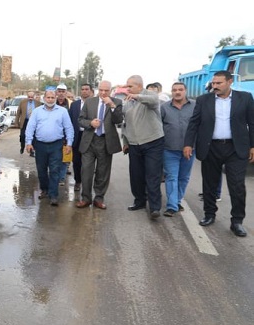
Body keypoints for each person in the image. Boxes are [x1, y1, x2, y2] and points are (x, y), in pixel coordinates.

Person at [183, 70, 254, 237]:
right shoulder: (203, 100)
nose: (214, 86)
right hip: (211, 147)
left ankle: (237, 221)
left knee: (237, 186)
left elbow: (252, 122)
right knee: (210, 184)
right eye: (213, 83)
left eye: (218, 83)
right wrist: (188, 144)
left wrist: (253, 146)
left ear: (229, 82)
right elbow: (194, 123)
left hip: (235, 148)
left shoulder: (245, 98)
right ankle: (209, 214)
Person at [121, 75, 165, 219]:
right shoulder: (126, 102)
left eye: (130, 86)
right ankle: (139, 201)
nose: (128, 89)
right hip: (134, 144)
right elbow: (125, 123)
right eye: (127, 87)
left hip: (152, 141)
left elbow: (154, 101)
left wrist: (137, 96)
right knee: (136, 175)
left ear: (139, 86)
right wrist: (125, 142)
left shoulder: (149, 95)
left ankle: (154, 208)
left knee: (152, 175)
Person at [75, 80, 123, 209]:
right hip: (89, 142)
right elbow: (80, 119)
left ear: (110, 90)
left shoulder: (117, 102)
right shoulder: (90, 102)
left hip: (105, 142)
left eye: (106, 90)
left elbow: (119, 120)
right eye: (101, 90)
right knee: (86, 171)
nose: (103, 93)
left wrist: (112, 106)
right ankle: (86, 198)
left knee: (103, 172)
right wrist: (90, 123)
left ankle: (99, 198)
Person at [25, 90, 74, 206]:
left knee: (54, 170)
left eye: (53, 97)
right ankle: (44, 190)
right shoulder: (37, 112)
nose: (50, 99)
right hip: (40, 145)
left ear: (56, 98)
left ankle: (53, 195)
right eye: (48, 97)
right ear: (44, 98)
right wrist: (28, 142)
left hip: (56, 145)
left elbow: (69, 128)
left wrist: (69, 144)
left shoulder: (62, 112)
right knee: (41, 171)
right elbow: (30, 127)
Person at [160, 82, 195, 216]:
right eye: (174, 90)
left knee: (184, 177)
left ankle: (177, 200)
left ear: (185, 91)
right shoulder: (164, 107)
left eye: (180, 90)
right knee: (171, 176)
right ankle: (172, 206)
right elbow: (159, 126)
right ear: (171, 92)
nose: (177, 92)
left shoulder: (195, 106)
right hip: (169, 148)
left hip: (190, 149)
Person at [68, 83, 93, 191]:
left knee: (88, 162)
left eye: (87, 89)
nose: (84, 91)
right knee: (76, 161)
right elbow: (69, 121)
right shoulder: (74, 105)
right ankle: (78, 181)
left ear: (91, 91)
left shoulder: (95, 104)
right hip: (77, 136)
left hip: (90, 136)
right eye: (82, 89)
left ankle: (87, 184)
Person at [55, 83, 72, 185]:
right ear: (56, 92)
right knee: (55, 158)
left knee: (65, 159)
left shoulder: (71, 104)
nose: (61, 94)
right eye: (59, 91)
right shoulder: (52, 103)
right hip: (55, 135)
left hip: (66, 136)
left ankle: (62, 178)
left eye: (63, 92)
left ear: (66, 93)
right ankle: (55, 177)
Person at [16, 91, 39, 157]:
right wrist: (16, 122)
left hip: (34, 121)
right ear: (27, 96)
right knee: (22, 136)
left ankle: (32, 151)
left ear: (34, 97)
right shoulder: (22, 102)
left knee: (33, 137)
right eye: (29, 97)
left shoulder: (38, 103)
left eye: (32, 97)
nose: (30, 98)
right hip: (25, 121)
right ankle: (22, 146)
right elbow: (18, 113)